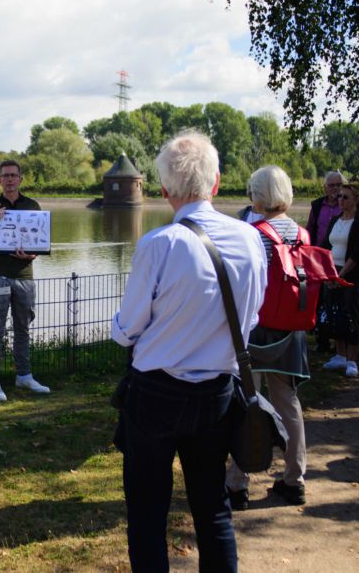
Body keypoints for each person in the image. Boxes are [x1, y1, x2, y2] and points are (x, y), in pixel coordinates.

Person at [111, 131, 267, 572]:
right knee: (212, 507)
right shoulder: (250, 239)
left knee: (147, 512)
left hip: (155, 393)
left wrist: (125, 328)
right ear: (216, 182)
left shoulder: (159, 244)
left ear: (164, 190)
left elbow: (128, 329)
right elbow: (252, 316)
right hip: (217, 391)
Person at [226, 165, 310, 509]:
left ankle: (237, 484)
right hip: (290, 329)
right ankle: (295, 478)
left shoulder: (253, 233)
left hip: (256, 328)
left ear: (258, 194)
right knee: (287, 401)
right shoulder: (302, 234)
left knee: (248, 402)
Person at [0, 160, 50, 402]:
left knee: (23, 329)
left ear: (20, 179)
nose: (9, 179)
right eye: (5, 176)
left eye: (13, 175)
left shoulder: (32, 206)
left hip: (25, 278)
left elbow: (40, 242)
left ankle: (24, 376)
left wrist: (32, 255)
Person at [320, 184, 359, 377]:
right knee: (334, 312)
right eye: (339, 196)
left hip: (350, 274)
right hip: (333, 271)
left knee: (350, 314)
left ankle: (351, 360)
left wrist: (340, 275)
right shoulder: (335, 219)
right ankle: (339, 355)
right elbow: (326, 246)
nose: (340, 200)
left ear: (356, 199)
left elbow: (358, 251)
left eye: (345, 197)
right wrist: (327, 273)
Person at [307, 171, 346, 352]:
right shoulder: (317, 206)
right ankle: (321, 339)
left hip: (339, 258)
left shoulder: (346, 204)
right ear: (325, 187)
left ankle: (340, 340)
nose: (335, 188)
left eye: (339, 185)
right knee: (319, 298)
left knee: (337, 298)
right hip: (318, 258)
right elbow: (310, 229)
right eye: (332, 185)